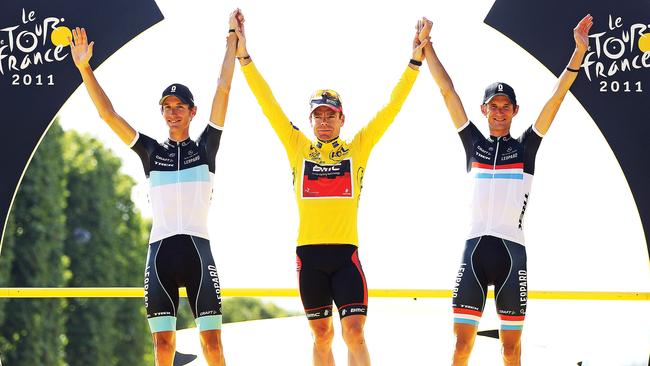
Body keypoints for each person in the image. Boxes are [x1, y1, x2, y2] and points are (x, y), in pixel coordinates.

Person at [232, 12, 429, 366]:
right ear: (310, 120)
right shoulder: (297, 146)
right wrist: (244, 56)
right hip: (309, 256)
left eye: (330, 115)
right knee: (322, 336)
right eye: (318, 116)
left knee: (354, 331)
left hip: (345, 256)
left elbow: (392, 106)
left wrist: (414, 60)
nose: (324, 121)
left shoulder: (358, 147)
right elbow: (268, 103)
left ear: (342, 118)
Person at [68, 9, 244, 366]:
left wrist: (231, 40)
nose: (173, 113)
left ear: (193, 112)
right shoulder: (150, 151)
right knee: (163, 349)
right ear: (161, 112)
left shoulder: (206, 147)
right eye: (167, 107)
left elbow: (223, 87)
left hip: (197, 252)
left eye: (180, 107)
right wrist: (85, 68)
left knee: (213, 346)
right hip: (160, 254)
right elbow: (108, 115)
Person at [419, 15, 593, 366]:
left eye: (505, 107)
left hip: (512, 254)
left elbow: (556, 98)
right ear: (484, 110)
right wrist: (427, 46)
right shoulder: (473, 144)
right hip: (475, 250)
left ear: (515, 111)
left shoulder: (526, 148)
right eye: (493, 107)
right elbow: (447, 91)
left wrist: (579, 53)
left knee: (511, 349)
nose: (499, 113)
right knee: (461, 346)